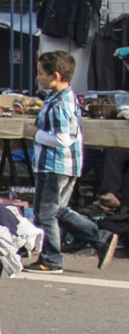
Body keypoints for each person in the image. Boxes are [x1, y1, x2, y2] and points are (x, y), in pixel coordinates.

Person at [24, 50, 115, 272]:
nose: (38, 78)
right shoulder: (60, 98)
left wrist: (35, 133)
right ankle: (100, 237)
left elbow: (63, 138)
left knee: (47, 212)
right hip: (59, 165)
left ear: (55, 75)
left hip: (56, 165)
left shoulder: (60, 104)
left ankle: (52, 259)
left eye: (41, 73)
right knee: (55, 210)